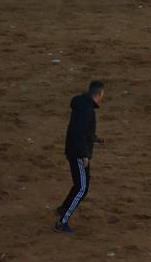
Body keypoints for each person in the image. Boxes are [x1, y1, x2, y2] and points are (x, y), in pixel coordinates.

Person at [54, 80, 105, 234]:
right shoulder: (88, 110)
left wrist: (94, 138)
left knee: (79, 185)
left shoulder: (81, 104)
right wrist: (84, 154)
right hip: (78, 153)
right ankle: (62, 222)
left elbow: (80, 129)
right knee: (82, 188)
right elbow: (79, 132)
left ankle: (63, 209)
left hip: (72, 150)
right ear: (100, 94)